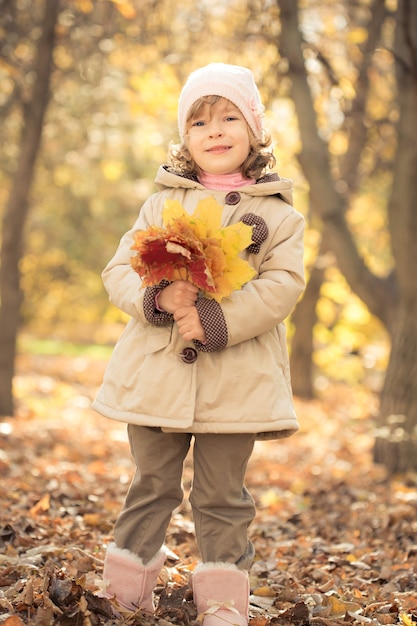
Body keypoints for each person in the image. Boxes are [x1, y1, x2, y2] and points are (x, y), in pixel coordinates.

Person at [93, 62, 305, 626]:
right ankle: (126, 587)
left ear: (254, 129)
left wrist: (216, 320)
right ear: (186, 138)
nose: (215, 130)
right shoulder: (162, 203)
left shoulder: (280, 215)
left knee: (221, 494)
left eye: (229, 117)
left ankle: (222, 602)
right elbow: (120, 269)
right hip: (158, 375)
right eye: (200, 122)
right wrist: (159, 299)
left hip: (235, 383)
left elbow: (282, 286)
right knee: (151, 484)